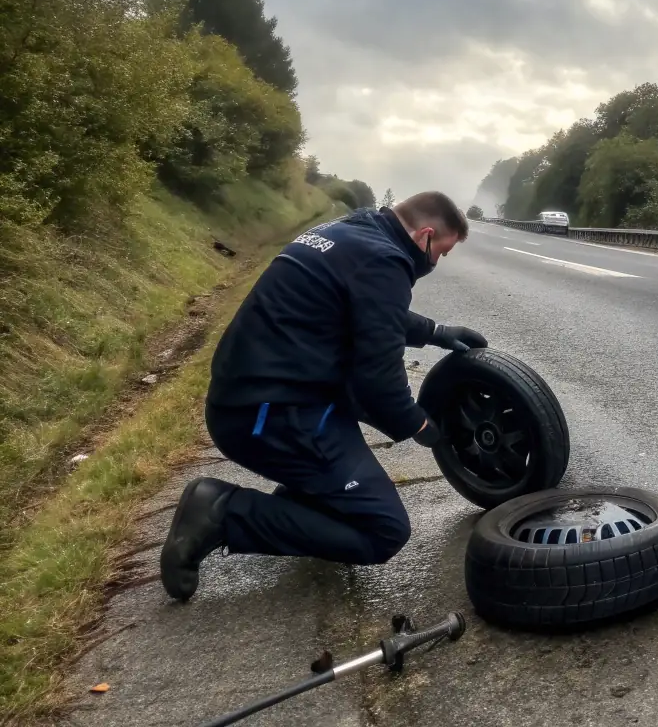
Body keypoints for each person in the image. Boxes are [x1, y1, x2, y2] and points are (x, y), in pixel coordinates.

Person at [159, 191, 486, 601]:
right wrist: (420, 425)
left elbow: (371, 310)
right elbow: (378, 382)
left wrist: (435, 332)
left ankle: (308, 498)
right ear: (424, 234)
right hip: (271, 415)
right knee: (382, 530)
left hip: (260, 398)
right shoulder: (386, 259)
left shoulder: (354, 229)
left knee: (348, 486)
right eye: (441, 250)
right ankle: (222, 513)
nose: (436, 263)